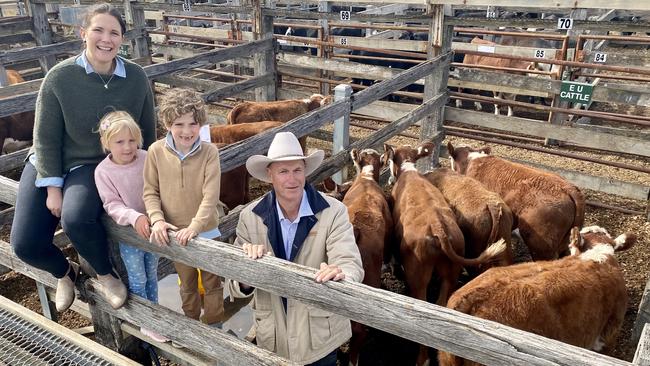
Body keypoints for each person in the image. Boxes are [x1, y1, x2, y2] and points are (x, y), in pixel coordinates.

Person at [10, 3, 156, 312]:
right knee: (24, 244)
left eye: (114, 32)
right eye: (98, 30)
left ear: (122, 39)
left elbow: (147, 131)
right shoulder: (60, 77)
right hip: (46, 160)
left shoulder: (136, 78)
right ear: (83, 34)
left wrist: (154, 179)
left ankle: (106, 275)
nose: (106, 39)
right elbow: (45, 136)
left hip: (88, 164)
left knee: (75, 218)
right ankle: (64, 272)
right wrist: (52, 187)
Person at [227, 132, 364, 365]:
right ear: (269, 175)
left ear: (305, 171)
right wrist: (246, 277)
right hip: (272, 335)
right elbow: (233, 283)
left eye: (297, 170)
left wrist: (342, 274)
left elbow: (350, 263)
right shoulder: (249, 217)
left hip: (319, 336)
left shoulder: (334, 212)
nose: (292, 179)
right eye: (283, 171)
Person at [143, 88, 225, 334]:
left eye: (193, 123)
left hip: (206, 230)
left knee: (212, 281)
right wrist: (157, 220)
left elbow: (211, 196)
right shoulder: (156, 151)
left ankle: (215, 327)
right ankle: (191, 325)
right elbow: (150, 192)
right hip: (175, 233)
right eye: (179, 124)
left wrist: (196, 226)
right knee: (186, 282)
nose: (187, 131)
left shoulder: (210, 152)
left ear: (200, 123)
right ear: (168, 123)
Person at [94, 111, 169, 343]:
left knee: (152, 274)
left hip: (153, 229)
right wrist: (133, 216)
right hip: (130, 235)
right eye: (119, 142)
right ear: (107, 143)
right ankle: (146, 323)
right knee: (138, 278)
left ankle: (153, 313)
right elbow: (112, 204)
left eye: (132, 141)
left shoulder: (147, 158)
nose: (127, 147)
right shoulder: (103, 172)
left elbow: (160, 186)